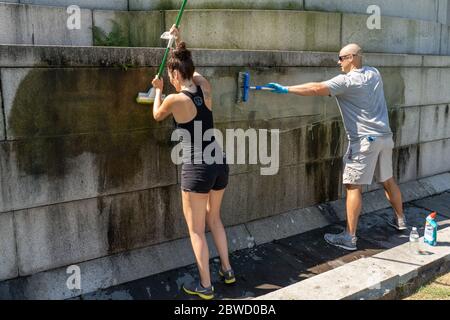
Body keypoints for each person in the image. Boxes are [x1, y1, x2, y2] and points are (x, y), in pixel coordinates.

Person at [266, 44, 406, 251]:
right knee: (388, 180)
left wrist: (286, 89)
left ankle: (349, 237)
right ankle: (401, 220)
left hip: (364, 142)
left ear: (353, 57)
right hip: (385, 137)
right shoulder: (374, 73)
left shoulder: (346, 81)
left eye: (341, 58)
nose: (338, 62)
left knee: (353, 186)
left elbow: (315, 88)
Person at [151, 26, 235, 299]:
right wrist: (179, 43)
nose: (170, 79)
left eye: (171, 76)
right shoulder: (205, 87)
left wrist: (157, 90)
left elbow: (156, 114)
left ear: (174, 74)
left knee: (196, 230)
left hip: (197, 167)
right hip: (219, 162)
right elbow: (192, 70)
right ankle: (228, 271)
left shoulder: (174, 99)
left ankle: (205, 286)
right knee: (216, 219)